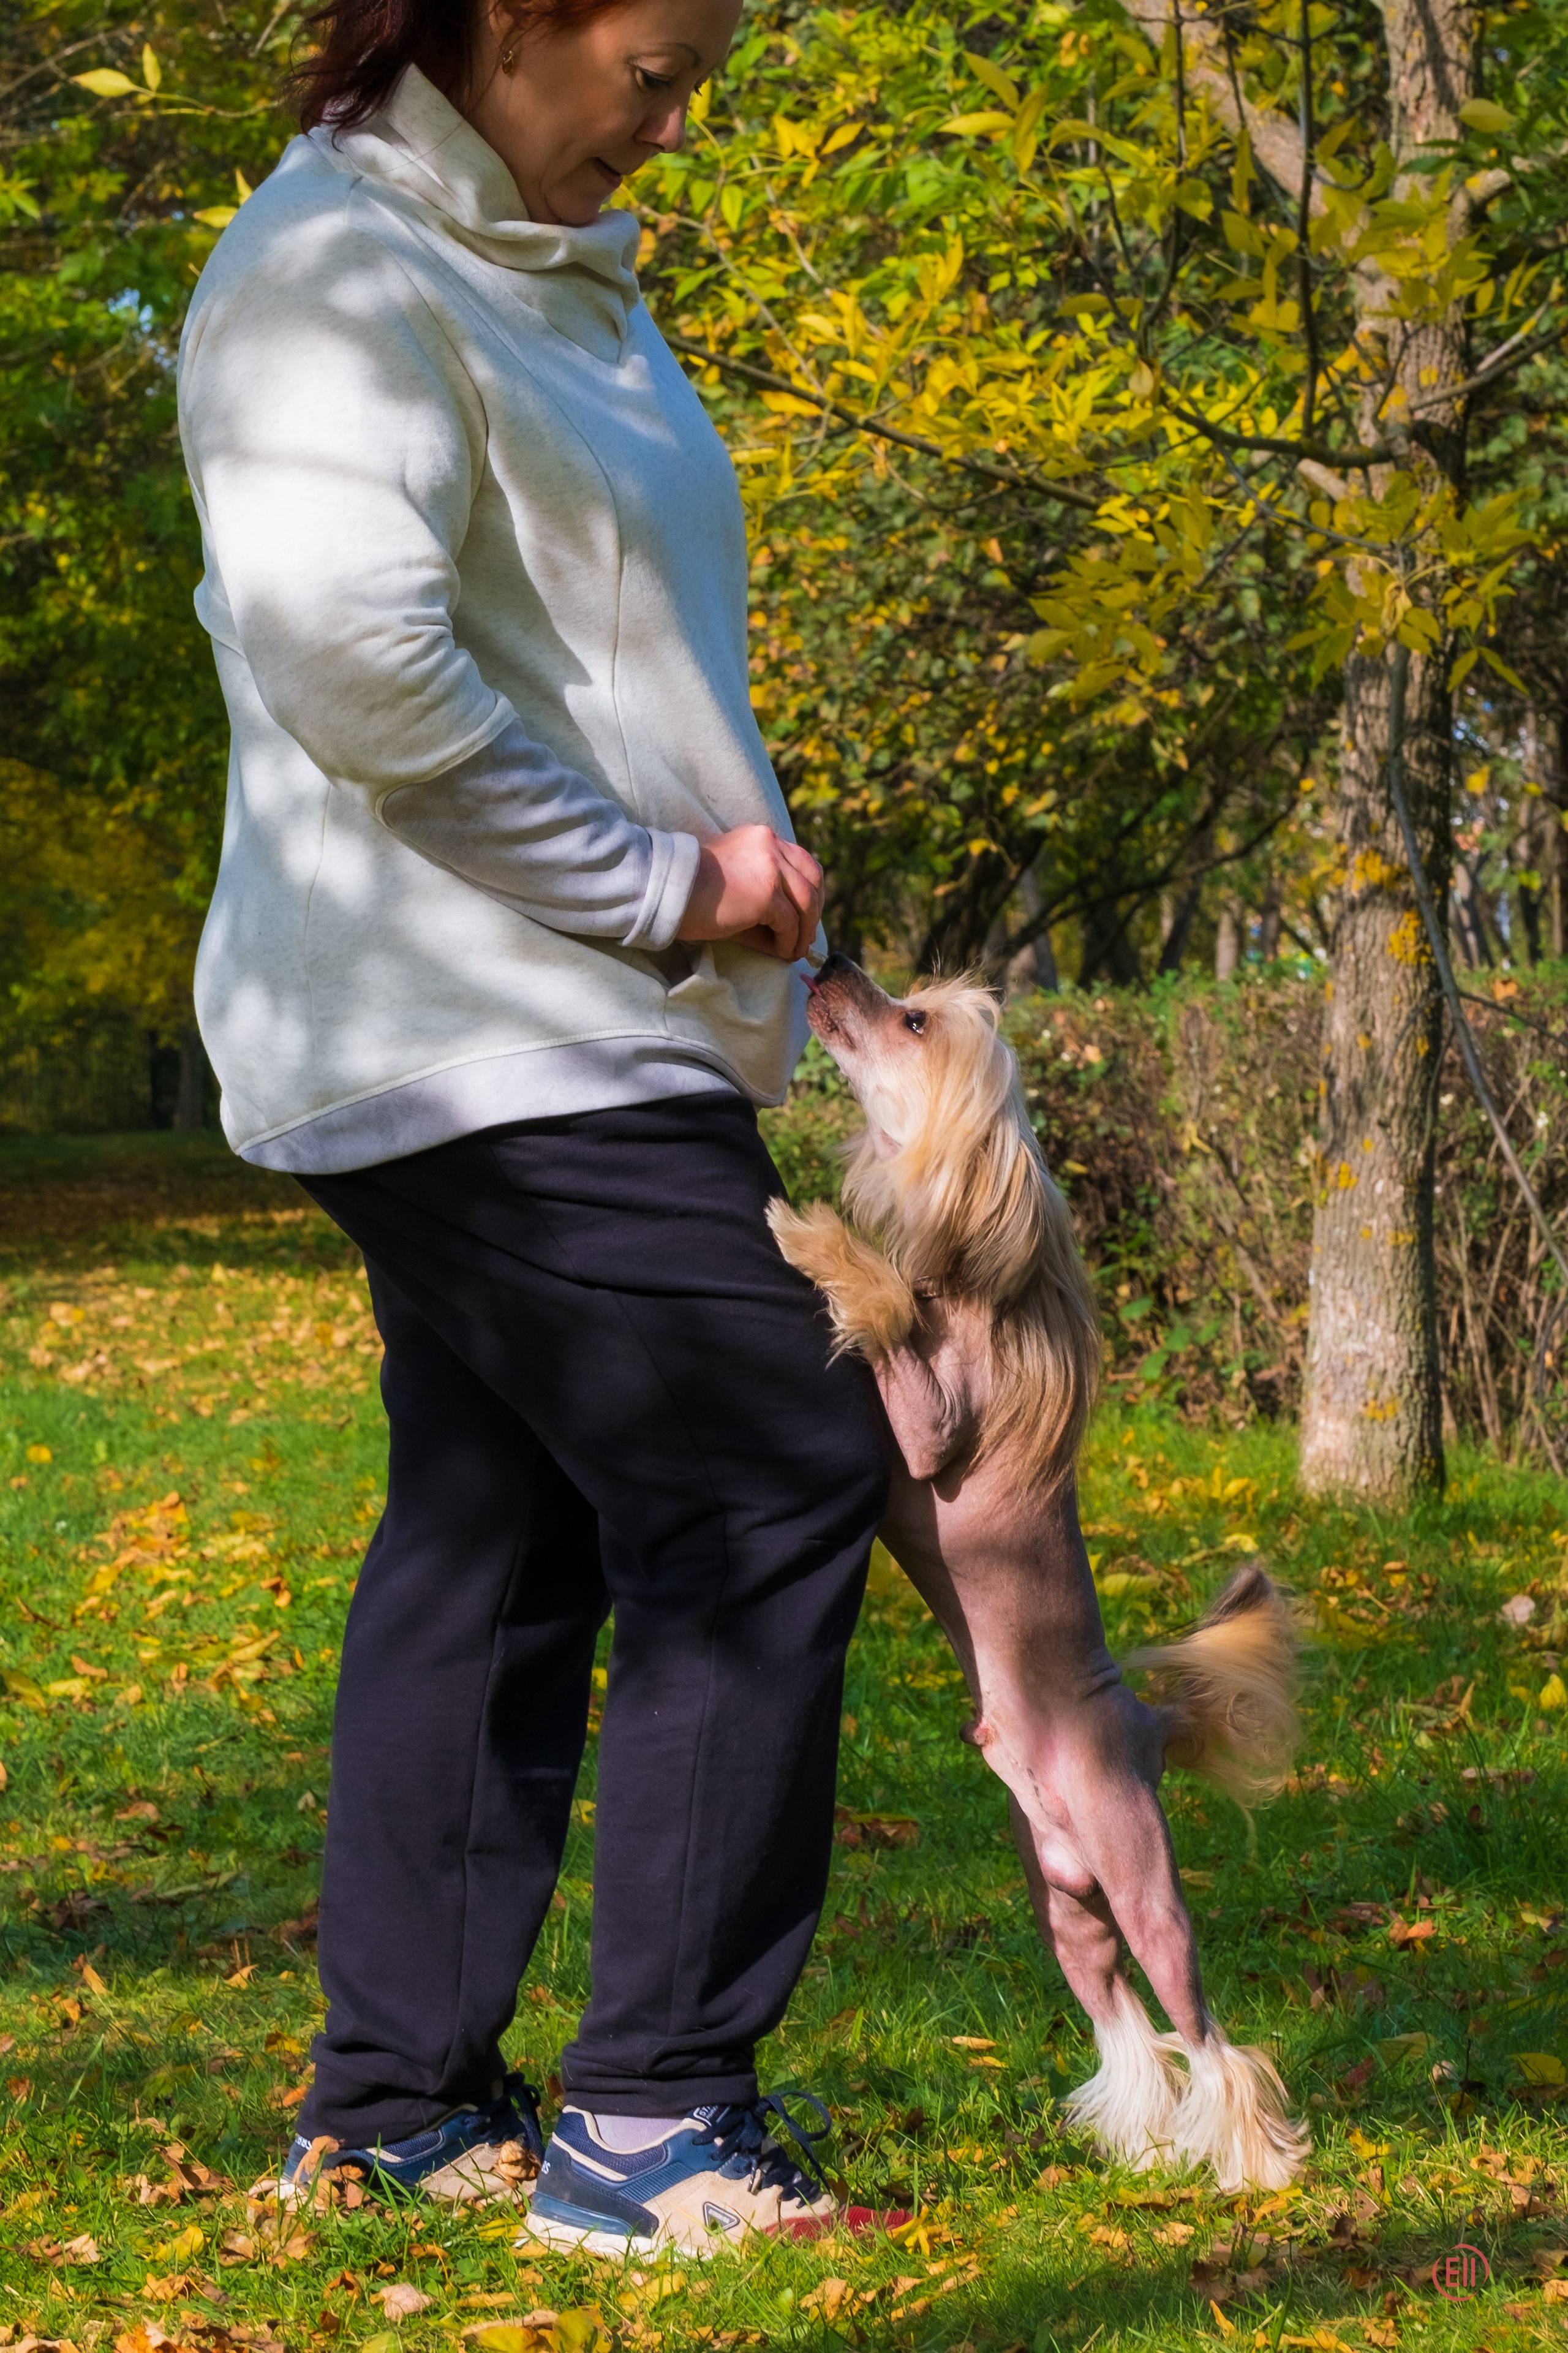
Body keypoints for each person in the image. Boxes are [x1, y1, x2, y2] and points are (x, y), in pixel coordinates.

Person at [175, 0, 889, 2255]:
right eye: (657, 65)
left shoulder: (539, 274)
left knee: (503, 1528)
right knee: (772, 1473)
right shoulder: (327, 278)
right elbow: (359, 661)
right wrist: (672, 884)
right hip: (492, 1024)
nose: (682, 115)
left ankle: (392, 2098)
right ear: (502, 25)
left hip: (571, 1024)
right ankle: (657, 2115)